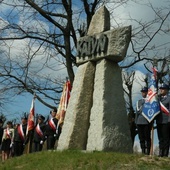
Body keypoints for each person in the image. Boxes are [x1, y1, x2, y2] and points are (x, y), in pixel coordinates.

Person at [135, 87, 152, 155]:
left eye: (145, 92)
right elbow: (137, 112)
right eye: (142, 92)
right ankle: (143, 150)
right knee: (141, 137)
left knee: (147, 137)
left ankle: (148, 151)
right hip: (139, 121)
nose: (143, 93)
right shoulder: (139, 101)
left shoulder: (150, 101)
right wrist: (136, 122)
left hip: (147, 121)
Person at [156, 83, 170, 157]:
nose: (161, 90)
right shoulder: (158, 98)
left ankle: (165, 153)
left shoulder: (169, 98)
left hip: (166, 121)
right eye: (160, 88)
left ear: (167, 90)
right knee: (160, 137)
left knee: (166, 138)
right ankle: (161, 152)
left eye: (163, 89)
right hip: (159, 121)